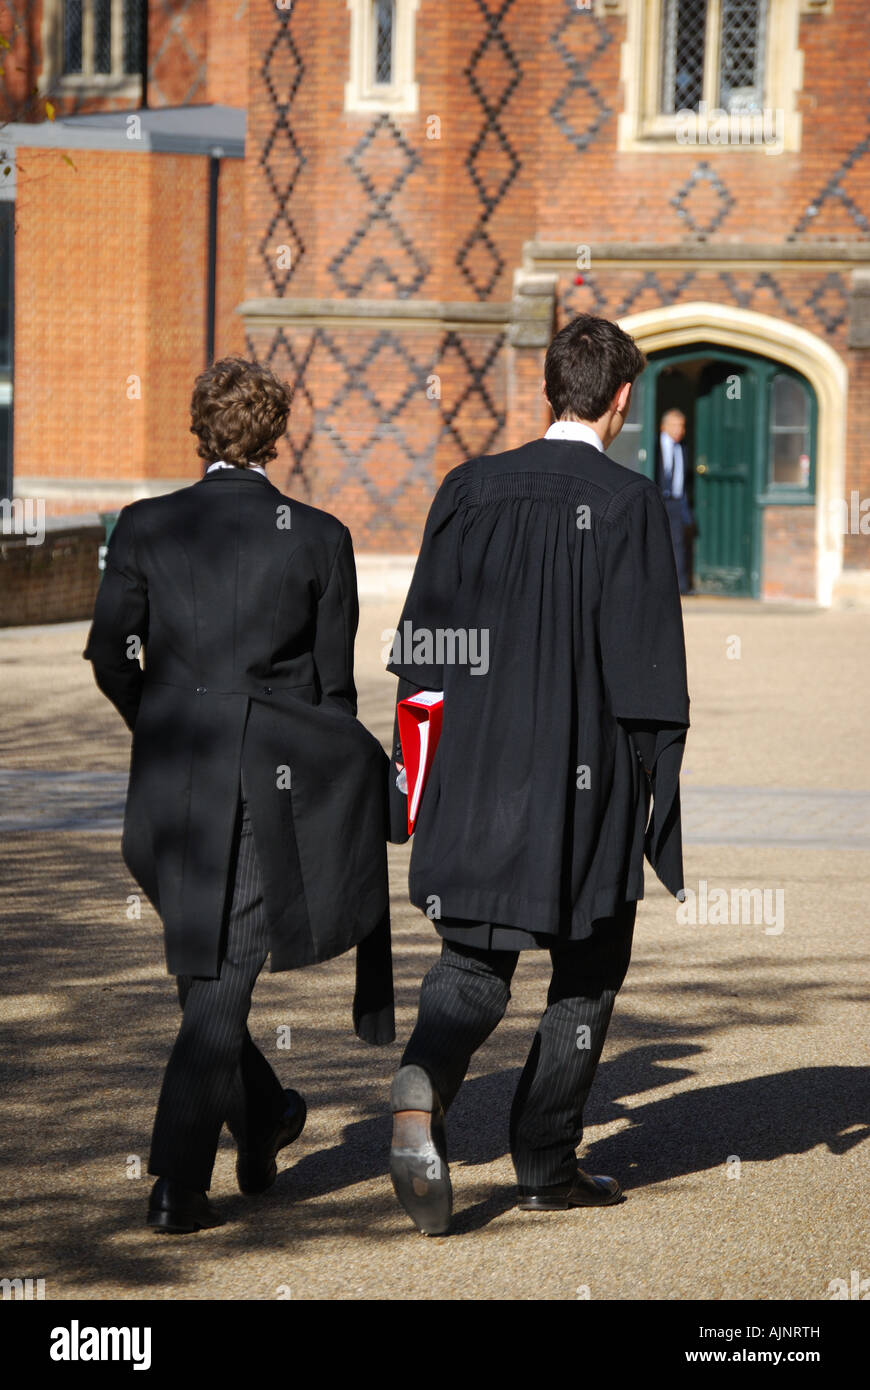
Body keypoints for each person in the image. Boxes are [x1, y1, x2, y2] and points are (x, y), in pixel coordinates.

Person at [385, 315, 690, 1236]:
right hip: (579, 775)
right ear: (622, 399)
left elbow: (423, 655)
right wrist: (653, 797)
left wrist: (413, 779)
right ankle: (546, 1159)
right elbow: (646, 677)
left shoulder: (466, 488)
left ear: (551, 386)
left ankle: (420, 1089)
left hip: (473, 768)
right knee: (589, 967)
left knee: (473, 959)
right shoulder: (630, 503)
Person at [84, 355, 393, 1235]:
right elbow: (336, 701)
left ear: (197, 429)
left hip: (165, 786)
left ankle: (262, 1118)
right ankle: (177, 1186)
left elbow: (112, 658)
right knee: (215, 986)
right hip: (266, 787)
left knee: (207, 975)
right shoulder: (320, 535)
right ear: (276, 435)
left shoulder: (142, 525)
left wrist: (162, 724)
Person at [655, 407, 694, 594]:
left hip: (677, 502)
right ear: (664, 427)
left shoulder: (683, 448)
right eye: (675, 425)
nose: (680, 430)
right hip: (659, 500)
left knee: (678, 543)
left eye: (682, 426)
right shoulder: (654, 446)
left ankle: (680, 586)